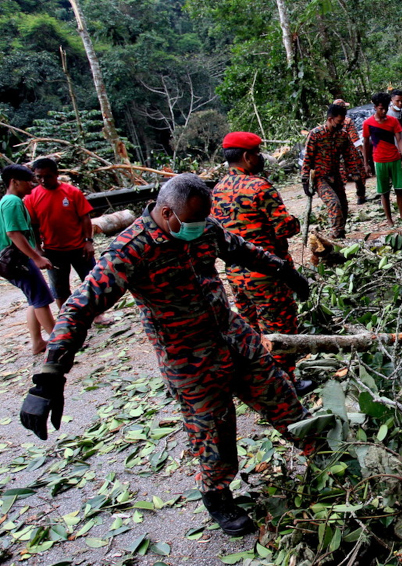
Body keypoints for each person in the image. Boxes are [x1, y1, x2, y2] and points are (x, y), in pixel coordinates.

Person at [19, 174, 314, 537]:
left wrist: (285, 271)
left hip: (234, 337)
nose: (200, 228)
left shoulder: (203, 228)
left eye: (203, 220)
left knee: (284, 399)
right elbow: (79, 308)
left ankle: (326, 454)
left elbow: (240, 249)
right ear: (166, 213)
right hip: (189, 359)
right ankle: (217, 497)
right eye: (192, 222)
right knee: (213, 433)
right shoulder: (130, 250)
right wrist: (48, 378)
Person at [210, 132, 313, 395]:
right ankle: (286, 385)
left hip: (236, 275)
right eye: (257, 153)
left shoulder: (216, 190)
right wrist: (296, 222)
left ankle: (260, 379)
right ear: (246, 156)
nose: (260, 158)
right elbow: (283, 228)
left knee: (252, 328)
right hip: (268, 274)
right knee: (280, 330)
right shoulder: (260, 187)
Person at [24, 158, 98, 311]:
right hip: (53, 250)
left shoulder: (72, 192)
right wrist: (38, 248)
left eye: (48, 176)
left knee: (91, 282)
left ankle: (97, 314)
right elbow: (33, 226)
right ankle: (67, 317)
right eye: (39, 177)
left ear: (56, 174)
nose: (43, 180)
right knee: (59, 288)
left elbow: (85, 217)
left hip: (79, 247)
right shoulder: (31, 197)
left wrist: (88, 241)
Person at [0, 164, 55, 354]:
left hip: (14, 260)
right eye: (29, 181)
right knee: (41, 299)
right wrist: (35, 257)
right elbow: (14, 233)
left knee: (34, 299)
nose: (33, 185)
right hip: (18, 260)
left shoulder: (9, 202)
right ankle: (59, 343)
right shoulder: (12, 202)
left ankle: (38, 342)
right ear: (14, 182)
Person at [301, 103, 358, 238]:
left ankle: (340, 232)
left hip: (336, 176)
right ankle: (336, 234)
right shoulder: (315, 134)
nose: (341, 125)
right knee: (334, 203)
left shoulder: (342, 136)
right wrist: (304, 180)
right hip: (320, 177)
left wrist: (355, 173)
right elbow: (307, 158)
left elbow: (349, 156)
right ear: (330, 119)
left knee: (343, 206)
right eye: (339, 122)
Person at [363, 92, 402, 226]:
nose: (383, 112)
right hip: (379, 161)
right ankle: (389, 220)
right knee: (384, 192)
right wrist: (366, 163)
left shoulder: (393, 121)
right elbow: (366, 143)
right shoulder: (368, 123)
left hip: (395, 159)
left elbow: (400, 139)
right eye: (380, 109)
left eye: (385, 109)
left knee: (399, 189)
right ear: (375, 108)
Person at [332, 98, 369, 205]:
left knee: (340, 177)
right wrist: (363, 153)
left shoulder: (331, 121)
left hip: (337, 154)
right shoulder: (347, 121)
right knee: (359, 174)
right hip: (350, 153)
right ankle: (360, 196)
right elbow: (355, 139)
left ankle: (339, 199)